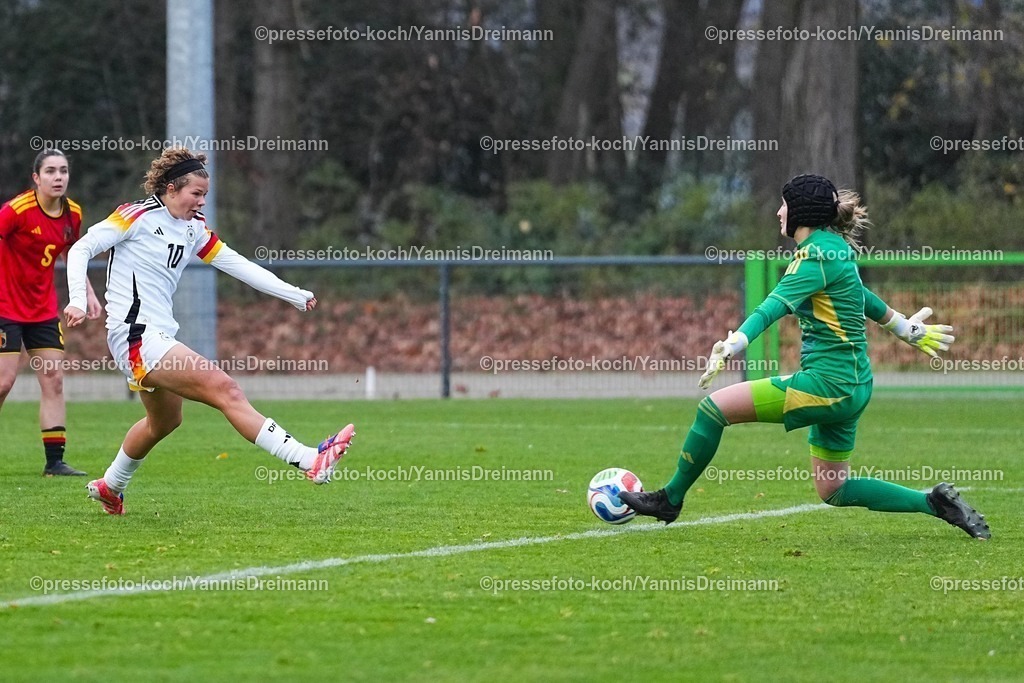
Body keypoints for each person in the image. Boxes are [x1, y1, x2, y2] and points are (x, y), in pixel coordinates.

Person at [620, 174, 990, 540]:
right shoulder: (835, 247)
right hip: (854, 386)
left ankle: (670, 499)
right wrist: (903, 328)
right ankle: (935, 502)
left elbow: (774, 306)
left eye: (785, 204)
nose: (779, 212)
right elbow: (860, 295)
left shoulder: (815, 255)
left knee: (712, 410)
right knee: (834, 489)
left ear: (802, 212)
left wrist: (734, 344)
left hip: (827, 385)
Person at [64, 147, 354, 515]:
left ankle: (111, 485)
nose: (201, 202)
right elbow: (81, 248)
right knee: (226, 389)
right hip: (135, 335)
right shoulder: (135, 216)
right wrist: (77, 298)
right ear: (171, 188)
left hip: (157, 335)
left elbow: (237, 265)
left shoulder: (193, 228)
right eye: (195, 194)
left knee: (164, 421)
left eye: (205, 195)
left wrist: (292, 294)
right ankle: (309, 460)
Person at [0, 149, 103, 476]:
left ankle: (54, 462)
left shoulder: (73, 213)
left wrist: (86, 293)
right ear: (36, 178)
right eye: (50, 172)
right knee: (4, 382)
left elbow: (73, 254)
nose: (58, 177)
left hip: (42, 310)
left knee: (54, 380)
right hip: (4, 306)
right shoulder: (16, 211)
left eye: (63, 171)